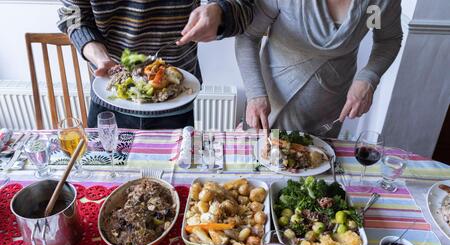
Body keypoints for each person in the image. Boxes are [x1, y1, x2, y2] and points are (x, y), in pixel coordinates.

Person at [57, 0, 253, 129]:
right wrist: (98, 55)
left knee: (175, 188)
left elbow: (245, 7)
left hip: (176, 101)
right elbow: (72, 15)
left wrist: (221, 12)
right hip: (110, 98)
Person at [235, 0, 403, 137]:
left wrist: (369, 77)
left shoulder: (376, 5)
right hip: (271, 105)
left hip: (330, 113)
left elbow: (387, 39)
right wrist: (255, 93)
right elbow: (249, 36)